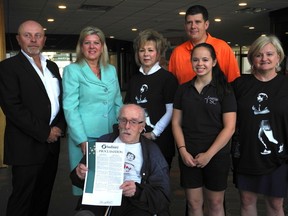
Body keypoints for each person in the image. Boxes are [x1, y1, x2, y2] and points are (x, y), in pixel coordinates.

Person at [0, 20, 66, 216]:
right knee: (22, 201)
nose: (33, 40)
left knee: (43, 198)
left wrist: (59, 128)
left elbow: (61, 102)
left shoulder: (52, 66)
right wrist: (45, 132)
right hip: (25, 147)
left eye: (38, 35)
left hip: (51, 147)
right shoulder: (7, 68)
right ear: (18, 39)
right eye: (27, 35)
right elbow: (13, 108)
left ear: (44, 39)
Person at [70, 104, 170, 216]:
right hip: (101, 198)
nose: (127, 126)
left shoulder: (152, 151)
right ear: (118, 123)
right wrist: (79, 174)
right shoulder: (104, 141)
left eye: (133, 122)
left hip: (134, 204)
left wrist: (137, 191)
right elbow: (76, 179)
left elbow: (162, 196)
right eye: (123, 120)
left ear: (142, 126)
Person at [172, 43, 237, 216]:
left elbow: (229, 128)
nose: (200, 63)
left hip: (216, 155)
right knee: (193, 204)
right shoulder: (183, 90)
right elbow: (176, 123)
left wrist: (209, 154)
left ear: (214, 62)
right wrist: (182, 151)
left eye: (205, 59)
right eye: (195, 60)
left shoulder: (225, 90)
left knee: (215, 203)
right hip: (188, 155)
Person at [62, 26, 123, 195]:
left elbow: (118, 102)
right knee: (87, 188)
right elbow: (70, 108)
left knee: (109, 187)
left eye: (96, 42)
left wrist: (122, 132)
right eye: (87, 42)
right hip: (85, 138)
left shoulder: (111, 70)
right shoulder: (72, 71)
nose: (92, 46)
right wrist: (81, 139)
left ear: (102, 46)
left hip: (111, 136)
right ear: (81, 46)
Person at [232, 35, 288, 216]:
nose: (264, 58)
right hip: (247, 154)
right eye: (259, 55)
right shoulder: (239, 85)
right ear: (252, 59)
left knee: (275, 204)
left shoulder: (286, 85)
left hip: (279, 156)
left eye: (270, 54)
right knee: (247, 202)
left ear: (278, 57)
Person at [124, 29, 178, 168]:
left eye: (150, 50)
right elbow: (128, 109)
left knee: (158, 184)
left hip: (161, 142)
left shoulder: (168, 79)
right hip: (136, 142)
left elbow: (171, 111)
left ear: (158, 53)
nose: (146, 54)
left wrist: (154, 133)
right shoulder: (134, 79)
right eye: (142, 50)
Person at [168, 5, 240, 85]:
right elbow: (171, 86)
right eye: (189, 23)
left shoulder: (223, 48)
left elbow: (234, 83)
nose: (193, 26)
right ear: (185, 26)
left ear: (206, 25)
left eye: (197, 22)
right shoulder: (177, 52)